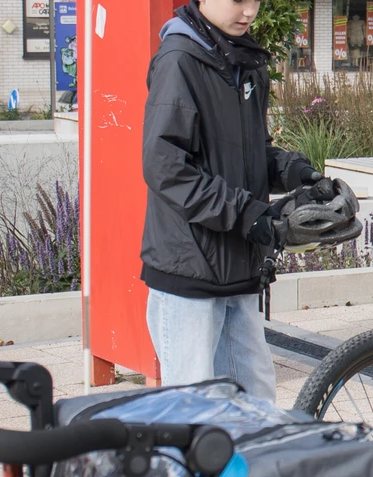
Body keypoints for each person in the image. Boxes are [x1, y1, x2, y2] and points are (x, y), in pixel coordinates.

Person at [139, 0, 332, 402]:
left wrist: (297, 172)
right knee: (194, 414)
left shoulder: (245, 61)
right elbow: (165, 167)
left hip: (239, 270)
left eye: (255, 0)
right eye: (238, 0)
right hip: (189, 273)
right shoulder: (180, 60)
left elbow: (251, 153)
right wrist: (246, 214)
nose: (249, 12)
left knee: (256, 405)